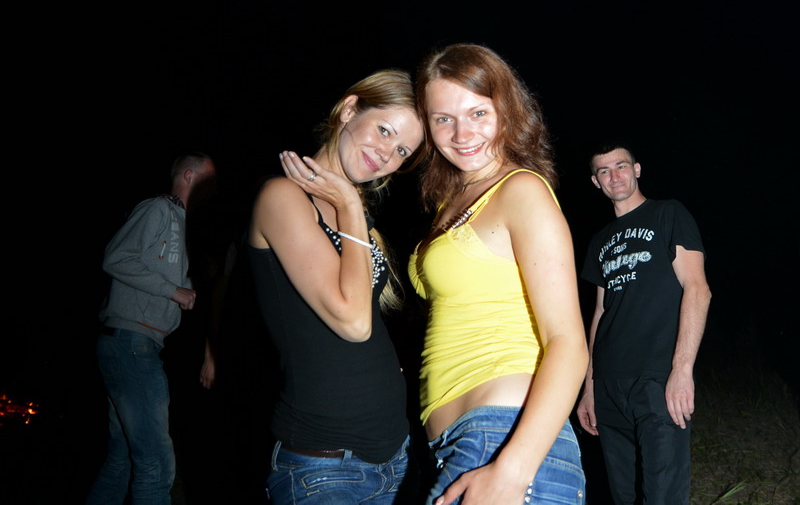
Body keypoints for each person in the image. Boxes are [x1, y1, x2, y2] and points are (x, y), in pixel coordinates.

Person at [408, 43, 589, 505]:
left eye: (478, 113)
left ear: (506, 111)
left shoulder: (520, 190)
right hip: (456, 444)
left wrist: (513, 468)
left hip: (505, 439)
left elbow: (568, 343)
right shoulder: (453, 199)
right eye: (443, 118)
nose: (461, 133)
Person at [247, 69, 424, 504]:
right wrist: (348, 204)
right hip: (324, 465)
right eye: (384, 131)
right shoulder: (283, 197)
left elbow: (372, 325)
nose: (387, 155)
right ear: (349, 110)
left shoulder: (355, 214)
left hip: (393, 455)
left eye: (402, 150)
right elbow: (353, 322)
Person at [576, 145, 712, 505]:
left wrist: (681, 370)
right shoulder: (600, 240)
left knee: (662, 495)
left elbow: (697, 289)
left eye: (621, 166)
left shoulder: (668, 214)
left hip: (656, 379)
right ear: (596, 181)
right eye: (604, 171)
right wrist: (589, 387)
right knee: (623, 496)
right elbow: (600, 312)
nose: (614, 176)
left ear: (637, 169)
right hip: (608, 384)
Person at [86, 152, 217, 505]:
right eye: (208, 178)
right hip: (130, 345)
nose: (214, 187)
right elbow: (116, 257)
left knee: (121, 460)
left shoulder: (185, 226)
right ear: (188, 176)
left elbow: (182, 283)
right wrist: (173, 290)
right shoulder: (157, 209)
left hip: (138, 345)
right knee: (155, 465)